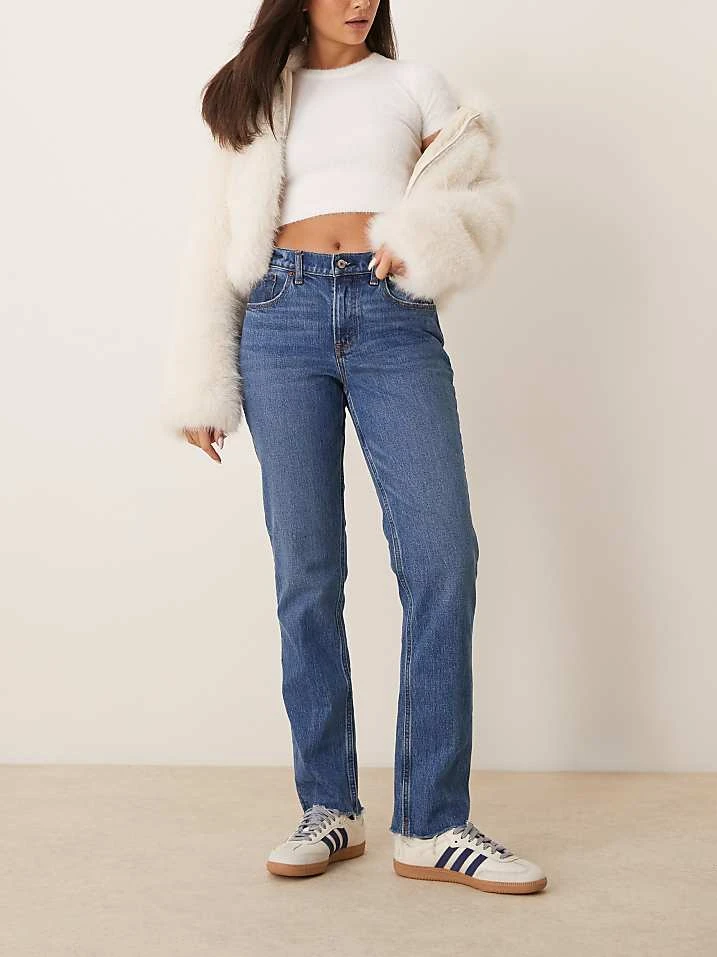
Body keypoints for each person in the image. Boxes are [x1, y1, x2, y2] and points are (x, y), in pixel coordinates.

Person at [161, 0, 547, 895]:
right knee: (307, 570)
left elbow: (479, 201)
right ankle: (329, 806)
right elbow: (213, 235)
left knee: (443, 556)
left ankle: (432, 822)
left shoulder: (416, 85)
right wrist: (200, 381)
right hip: (279, 319)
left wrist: (421, 239)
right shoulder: (253, 93)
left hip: (393, 322)